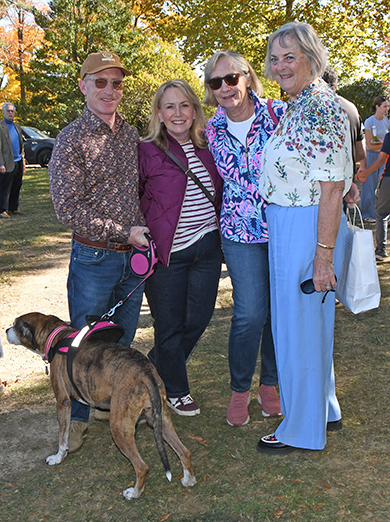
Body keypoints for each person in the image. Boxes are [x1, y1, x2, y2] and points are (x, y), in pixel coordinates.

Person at [257, 22, 353, 454]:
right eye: (274, 59)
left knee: (297, 328)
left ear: (312, 58)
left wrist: (323, 255)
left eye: (289, 56)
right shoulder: (297, 105)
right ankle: (323, 409)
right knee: (307, 324)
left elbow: (332, 186)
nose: (280, 66)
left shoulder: (321, 107)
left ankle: (299, 428)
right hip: (289, 223)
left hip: (305, 226)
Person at [49, 51, 149, 452]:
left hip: (134, 257)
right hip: (94, 258)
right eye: (101, 82)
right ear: (83, 86)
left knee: (121, 342)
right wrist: (122, 229)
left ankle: (115, 408)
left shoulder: (130, 134)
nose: (110, 90)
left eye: (117, 83)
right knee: (82, 344)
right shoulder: (71, 138)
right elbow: (67, 208)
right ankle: (76, 420)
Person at [204, 50, 286, 427]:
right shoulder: (211, 129)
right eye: (215, 82)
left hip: (285, 226)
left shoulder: (278, 114)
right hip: (239, 231)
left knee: (278, 313)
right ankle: (240, 390)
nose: (224, 88)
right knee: (250, 312)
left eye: (231, 78)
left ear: (248, 77)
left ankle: (269, 385)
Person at [138, 80, 223, 416]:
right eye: (169, 106)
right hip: (167, 253)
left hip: (207, 248)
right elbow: (134, 196)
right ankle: (175, 390)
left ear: (194, 110)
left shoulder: (208, 146)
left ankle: (150, 369)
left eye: (184, 105)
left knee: (198, 320)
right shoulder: (146, 150)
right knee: (169, 324)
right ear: (159, 113)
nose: (177, 113)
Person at [322, 66, 366, 174]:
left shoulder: (312, 108)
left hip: (320, 182)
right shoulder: (352, 108)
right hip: (347, 179)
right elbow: (361, 153)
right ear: (335, 86)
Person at [357, 131, 390, 259]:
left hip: (388, 179)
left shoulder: (388, 136)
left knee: (381, 214)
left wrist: (365, 173)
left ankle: (381, 250)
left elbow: (381, 160)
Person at [360, 96, 390, 221]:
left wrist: (381, 143)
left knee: (385, 184)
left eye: (388, 106)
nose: (387, 109)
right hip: (372, 155)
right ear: (377, 107)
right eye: (385, 106)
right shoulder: (369, 122)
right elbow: (370, 144)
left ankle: (386, 214)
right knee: (369, 186)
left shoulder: (387, 121)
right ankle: (367, 215)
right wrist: (384, 143)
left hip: (384, 156)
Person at [0, 103, 24, 218]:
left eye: (12, 111)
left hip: (18, 161)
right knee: (5, 187)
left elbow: (21, 144)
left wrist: (23, 158)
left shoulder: (17, 127)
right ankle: (2, 210)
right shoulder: (1, 127)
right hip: (6, 162)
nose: (10, 113)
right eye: (8, 111)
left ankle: (13, 208)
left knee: (17, 185)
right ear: (4, 112)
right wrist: (1, 163)